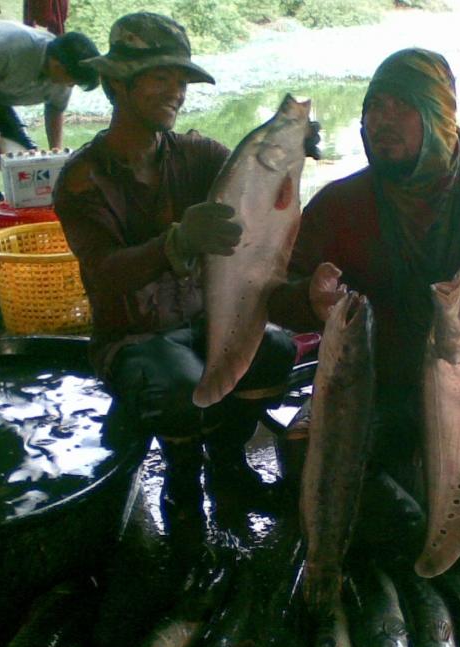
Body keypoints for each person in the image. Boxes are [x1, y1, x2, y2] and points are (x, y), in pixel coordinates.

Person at [269, 48, 460, 573]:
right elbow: (276, 294)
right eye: (374, 106)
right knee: (307, 463)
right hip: (369, 385)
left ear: (438, 118)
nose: (381, 121)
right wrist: (308, 298)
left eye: (402, 107)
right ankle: (401, 528)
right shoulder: (341, 204)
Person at [53, 13, 297, 535]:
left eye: (182, 80)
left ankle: (227, 468)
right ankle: (182, 491)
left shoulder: (197, 153)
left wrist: (290, 149)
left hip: (203, 320)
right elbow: (103, 276)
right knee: (181, 384)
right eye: (160, 78)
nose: (177, 91)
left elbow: (251, 173)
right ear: (117, 82)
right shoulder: (81, 179)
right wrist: (178, 242)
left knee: (276, 348)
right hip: (131, 337)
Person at [0, 19, 99, 229]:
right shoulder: (7, 48)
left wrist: (56, 157)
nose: (70, 86)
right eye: (71, 81)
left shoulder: (65, 74)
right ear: (56, 65)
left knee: (27, 162)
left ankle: (24, 226)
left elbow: (55, 110)